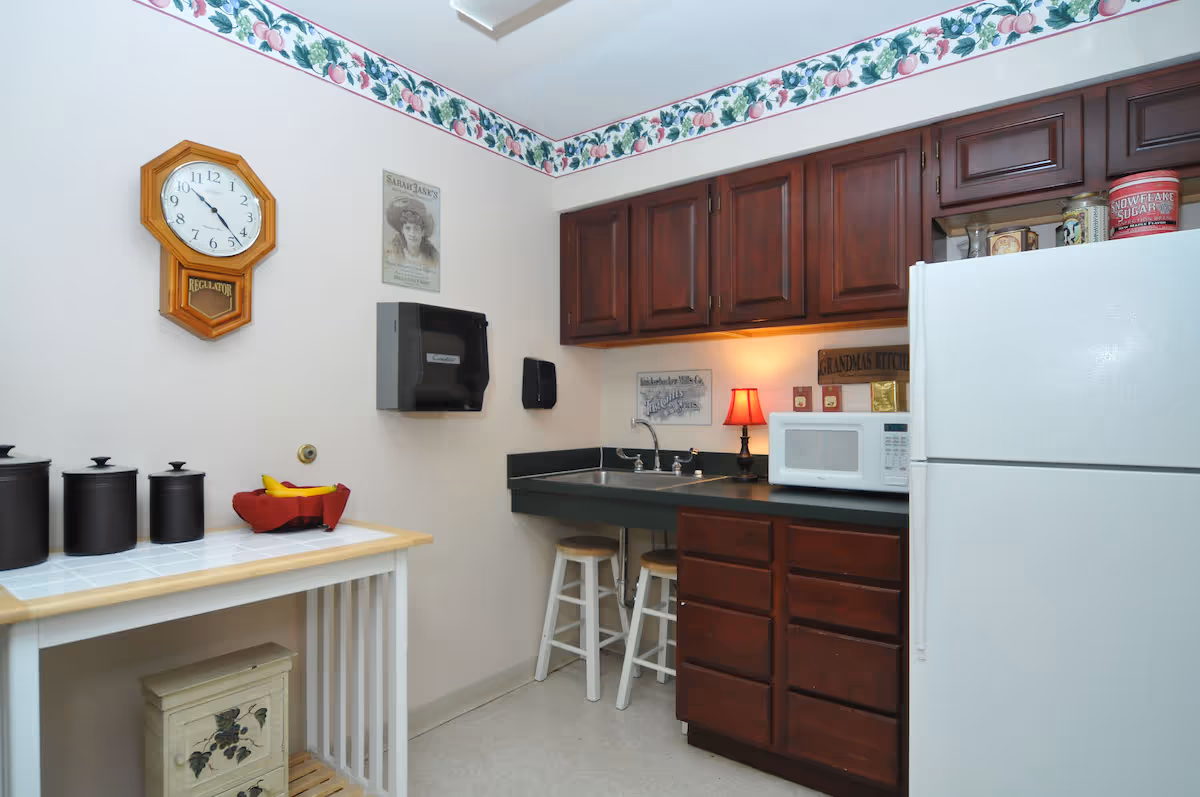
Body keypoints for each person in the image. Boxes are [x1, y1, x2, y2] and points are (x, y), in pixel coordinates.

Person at [386, 195, 440, 267]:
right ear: (402, 230)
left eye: (416, 229)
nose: (412, 233)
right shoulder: (394, 255)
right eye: (408, 228)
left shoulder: (432, 257)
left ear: (423, 232)